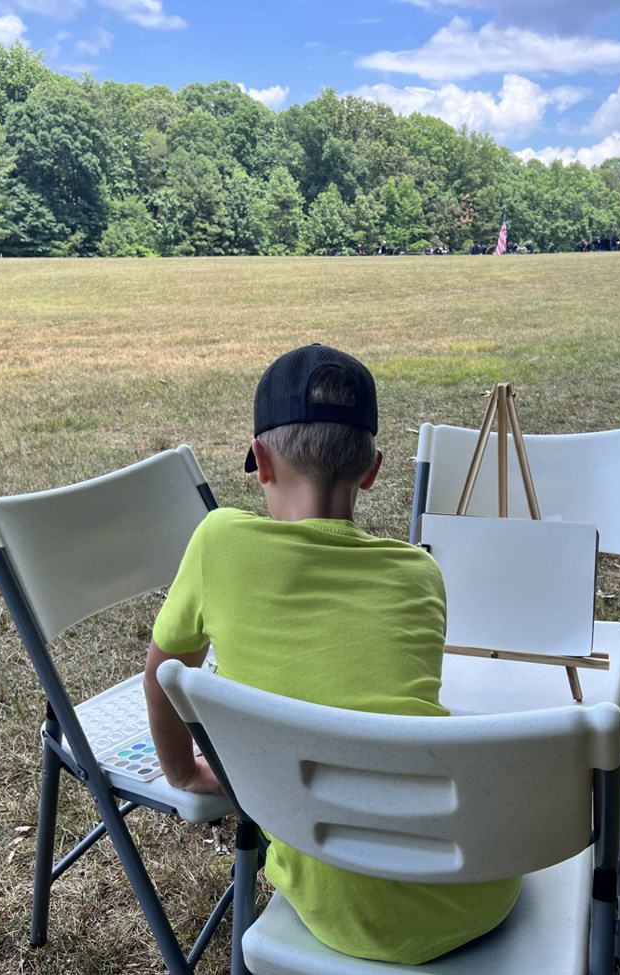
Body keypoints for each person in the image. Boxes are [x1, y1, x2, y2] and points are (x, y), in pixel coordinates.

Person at [142, 343, 522, 964]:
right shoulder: (419, 574)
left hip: (334, 906)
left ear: (260, 461)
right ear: (371, 469)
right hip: (475, 893)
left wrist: (184, 773)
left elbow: (163, 675)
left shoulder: (218, 542)